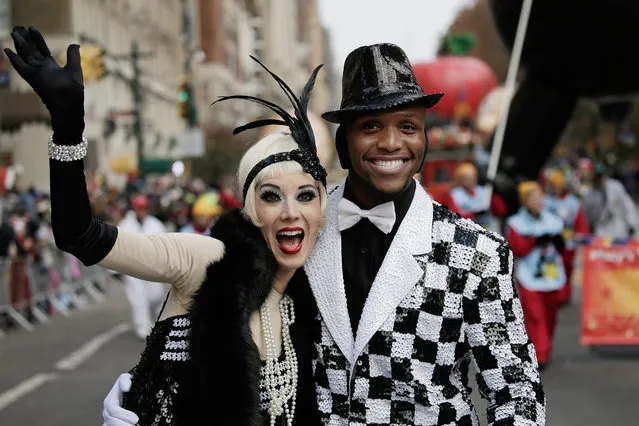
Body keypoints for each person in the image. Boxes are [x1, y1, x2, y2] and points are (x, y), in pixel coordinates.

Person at [105, 42, 545, 425]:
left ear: (425, 138)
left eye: (408, 126)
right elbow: (217, 315)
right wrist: (145, 393)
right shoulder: (297, 228)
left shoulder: (479, 253)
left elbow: (516, 390)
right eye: (371, 126)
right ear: (344, 142)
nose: (392, 142)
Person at [5, 26, 328, 426]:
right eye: (271, 196)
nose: (291, 212)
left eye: (306, 196)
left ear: (322, 211)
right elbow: (81, 236)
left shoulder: (310, 303)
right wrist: (68, 125)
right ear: (250, 208)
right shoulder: (209, 260)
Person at [506, 182, 565, 370]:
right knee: (535, 316)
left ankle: (545, 346)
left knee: (550, 316)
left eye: (540, 197)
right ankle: (539, 354)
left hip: (552, 275)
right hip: (529, 276)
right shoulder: (515, 223)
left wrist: (559, 241)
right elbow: (517, 248)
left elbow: (565, 247)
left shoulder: (553, 220)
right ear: (525, 201)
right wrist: (535, 240)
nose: (539, 201)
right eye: (533, 198)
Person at [118, 194, 169, 339]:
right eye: (138, 208)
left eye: (143, 208)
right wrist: (118, 269)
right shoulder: (125, 225)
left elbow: (165, 245)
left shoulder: (156, 224)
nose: (140, 211)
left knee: (156, 295)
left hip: (152, 266)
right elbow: (119, 247)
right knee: (138, 299)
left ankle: (153, 320)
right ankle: (143, 328)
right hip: (132, 268)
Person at [543, 169, 589, 305]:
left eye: (558, 185)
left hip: (568, 242)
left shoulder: (573, 202)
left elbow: (580, 222)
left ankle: (564, 295)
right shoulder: (545, 200)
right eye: (554, 185)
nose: (556, 188)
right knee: (551, 266)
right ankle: (553, 293)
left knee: (567, 267)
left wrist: (581, 234)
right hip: (551, 242)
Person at [442, 162, 507, 232]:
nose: (470, 181)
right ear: (460, 179)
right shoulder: (455, 194)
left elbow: (501, 211)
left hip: (487, 229)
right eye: (466, 178)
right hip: (467, 230)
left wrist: (495, 194)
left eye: (472, 177)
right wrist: (474, 214)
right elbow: (455, 216)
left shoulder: (484, 191)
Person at [582, 163, 638, 240]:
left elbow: (627, 204)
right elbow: (587, 215)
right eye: (597, 176)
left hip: (618, 228)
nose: (599, 178)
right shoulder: (590, 195)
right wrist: (588, 230)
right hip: (601, 231)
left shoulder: (616, 187)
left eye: (601, 175)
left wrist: (632, 223)